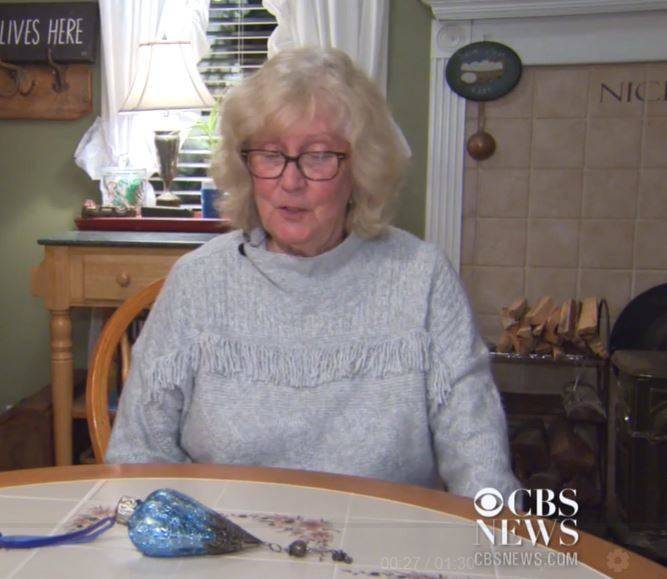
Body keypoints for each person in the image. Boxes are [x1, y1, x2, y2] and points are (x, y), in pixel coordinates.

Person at [105, 47, 519, 499]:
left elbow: (480, 463)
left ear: (360, 168)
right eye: (270, 154)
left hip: (380, 555)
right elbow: (138, 455)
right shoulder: (198, 282)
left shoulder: (421, 278)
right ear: (246, 165)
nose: (290, 181)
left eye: (318, 156)